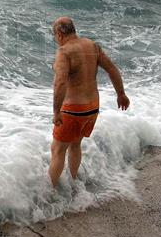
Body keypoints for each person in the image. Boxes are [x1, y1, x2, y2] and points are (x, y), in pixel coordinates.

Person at [48, 17, 129, 187]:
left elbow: (60, 82)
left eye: (55, 34)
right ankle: (73, 181)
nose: (56, 39)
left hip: (72, 110)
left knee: (57, 150)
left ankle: (53, 192)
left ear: (60, 33)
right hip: (92, 108)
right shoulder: (92, 46)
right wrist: (121, 94)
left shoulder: (64, 52)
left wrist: (56, 112)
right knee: (75, 145)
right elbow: (112, 69)